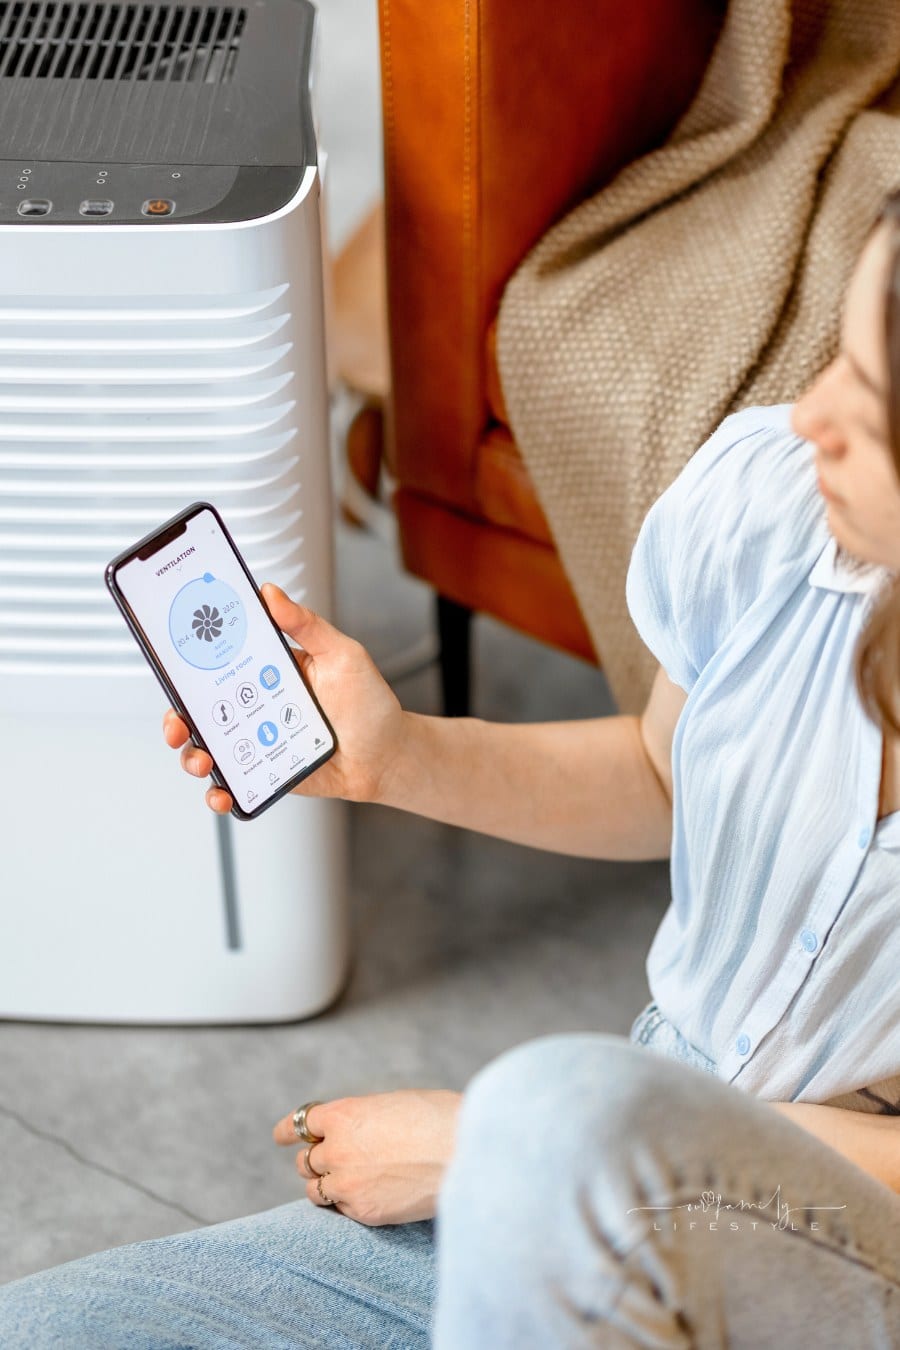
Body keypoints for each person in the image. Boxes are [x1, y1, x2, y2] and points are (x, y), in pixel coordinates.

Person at [3, 191, 900, 1348]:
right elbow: (663, 771)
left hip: (833, 1251)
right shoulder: (775, 510)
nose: (806, 418)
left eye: (872, 413)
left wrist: (490, 1142)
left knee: (554, 1107)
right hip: (596, 1175)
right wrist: (400, 756)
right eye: (840, 352)